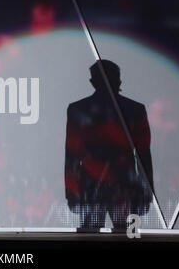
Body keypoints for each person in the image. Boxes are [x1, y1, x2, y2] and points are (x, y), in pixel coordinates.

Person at [64, 60, 153, 231]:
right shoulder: (135, 109)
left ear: (93, 82)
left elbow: (72, 155)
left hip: (100, 183)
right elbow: (143, 155)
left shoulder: (78, 109)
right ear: (118, 80)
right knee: (126, 234)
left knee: (97, 234)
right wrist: (146, 191)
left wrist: (72, 191)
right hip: (120, 182)